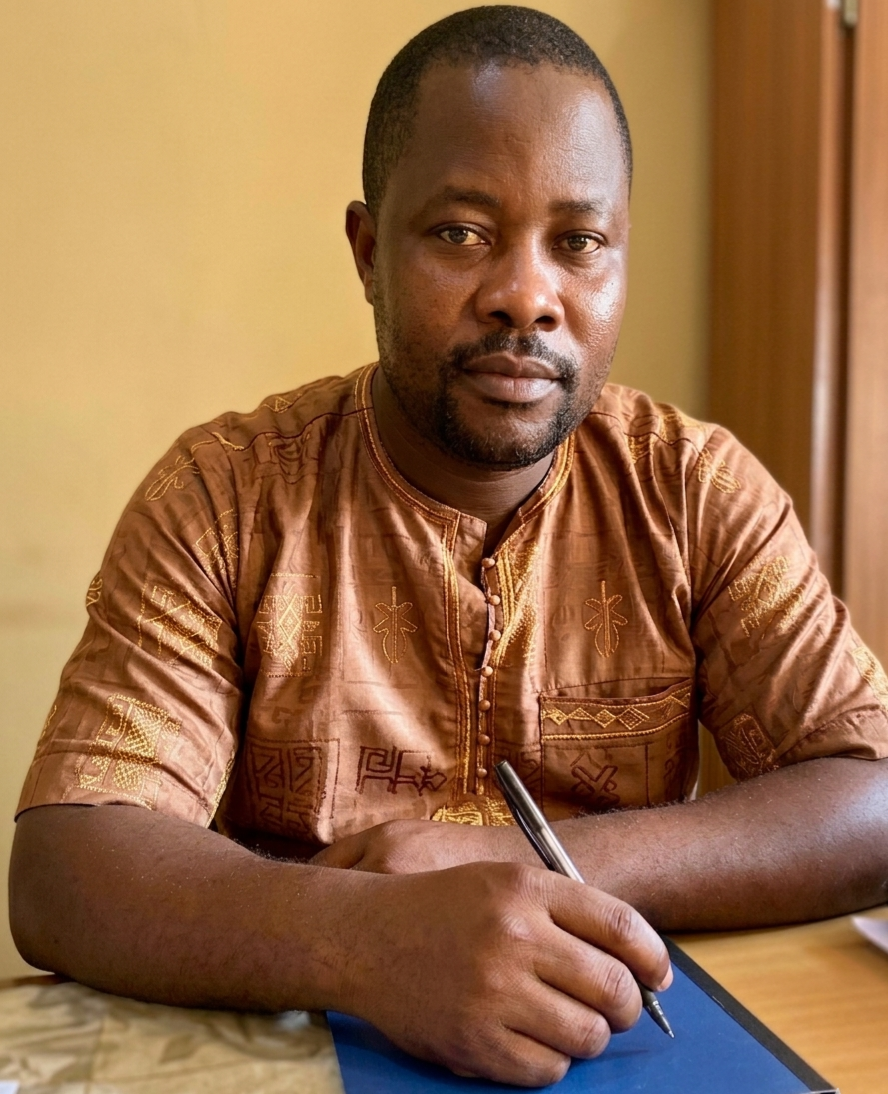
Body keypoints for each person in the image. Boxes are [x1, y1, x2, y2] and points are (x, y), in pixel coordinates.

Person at [9, 6, 888, 1088]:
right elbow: (68, 864)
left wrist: (512, 859)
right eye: (462, 233)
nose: (527, 297)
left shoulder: (691, 489)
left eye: (579, 243)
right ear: (369, 252)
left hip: (624, 1049)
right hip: (312, 1049)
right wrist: (365, 939)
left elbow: (873, 795)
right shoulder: (225, 495)